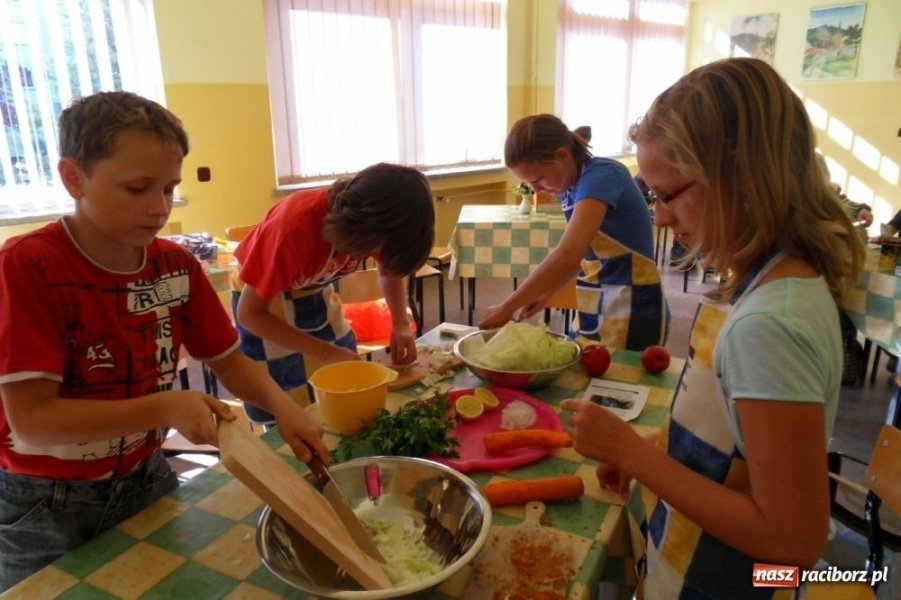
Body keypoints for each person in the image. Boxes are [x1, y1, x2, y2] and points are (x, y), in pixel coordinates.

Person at [0, 91, 330, 592]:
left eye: (170, 189)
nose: (159, 208)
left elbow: (227, 359)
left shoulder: (175, 265)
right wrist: (167, 407)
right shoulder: (27, 266)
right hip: (45, 505)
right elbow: (34, 422)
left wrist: (283, 407)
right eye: (137, 188)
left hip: (145, 478)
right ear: (74, 178)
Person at [561, 57, 866, 598]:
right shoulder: (776, 278)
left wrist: (635, 454)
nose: (657, 217)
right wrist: (658, 449)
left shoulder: (769, 325)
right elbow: (736, 441)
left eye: (665, 194)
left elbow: (792, 540)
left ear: (739, 178)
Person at [232, 162, 434, 423]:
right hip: (263, 302)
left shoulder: (374, 224)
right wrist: (324, 351)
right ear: (359, 229)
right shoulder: (292, 230)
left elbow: (389, 270)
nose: (374, 253)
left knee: (343, 374)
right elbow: (250, 314)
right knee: (283, 398)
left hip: (313, 291)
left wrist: (399, 323)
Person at [479, 114, 667, 351]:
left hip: (631, 303)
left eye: (538, 179)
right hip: (595, 298)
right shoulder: (570, 186)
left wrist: (507, 307)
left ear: (562, 156)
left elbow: (568, 255)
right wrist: (548, 293)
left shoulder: (602, 176)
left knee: (617, 378)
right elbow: (586, 254)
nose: (536, 189)